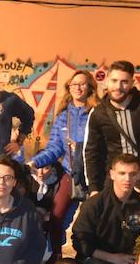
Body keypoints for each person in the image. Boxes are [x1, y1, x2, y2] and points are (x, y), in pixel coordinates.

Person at [72, 153, 140, 264]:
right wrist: (113, 258)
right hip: (96, 259)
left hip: (129, 261)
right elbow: (79, 241)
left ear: (139, 175)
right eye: (122, 173)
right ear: (112, 174)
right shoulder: (94, 204)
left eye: (132, 174)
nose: (127, 179)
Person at [83, 60, 140, 196]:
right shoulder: (98, 112)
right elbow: (91, 152)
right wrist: (93, 189)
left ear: (132, 83)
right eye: (114, 80)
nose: (118, 86)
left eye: (124, 82)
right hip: (112, 183)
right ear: (107, 81)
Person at [27, 69, 96, 206]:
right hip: (70, 174)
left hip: (93, 176)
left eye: (82, 84)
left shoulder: (96, 114)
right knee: (56, 216)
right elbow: (54, 148)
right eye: (74, 84)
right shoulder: (63, 116)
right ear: (69, 87)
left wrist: (79, 148)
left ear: (89, 88)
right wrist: (34, 162)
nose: (78, 87)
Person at [24, 159, 72, 264]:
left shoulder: (58, 182)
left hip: (49, 225)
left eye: (46, 168)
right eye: (37, 168)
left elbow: (59, 212)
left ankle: (54, 255)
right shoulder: (28, 180)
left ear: (52, 168)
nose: (40, 172)